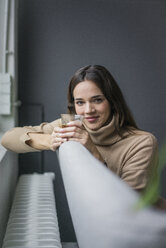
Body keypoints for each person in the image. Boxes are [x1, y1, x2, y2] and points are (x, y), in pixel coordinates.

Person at [0, 65, 159, 194]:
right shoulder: (72, 126)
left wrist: (94, 154)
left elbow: (128, 206)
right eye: (80, 102)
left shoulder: (142, 143)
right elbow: (8, 138)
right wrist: (50, 140)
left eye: (97, 100)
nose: (88, 110)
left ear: (112, 101)